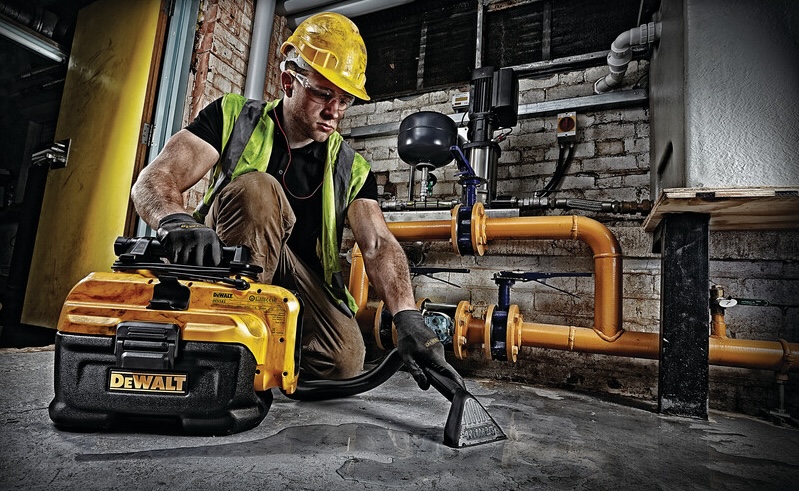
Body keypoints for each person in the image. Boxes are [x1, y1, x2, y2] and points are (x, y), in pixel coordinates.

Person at [131, 12, 463, 391]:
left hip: (297, 277)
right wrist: (176, 220)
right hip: (225, 263)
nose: (335, 112)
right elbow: (155, 178)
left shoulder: (350, 167)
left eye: (345, 100)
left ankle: (268, 353)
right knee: (259, 190)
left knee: (346, 360)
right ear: (289, 81)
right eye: (324, 94)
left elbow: (377, 244)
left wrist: (407, 316)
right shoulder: (234, 116)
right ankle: (228, 354)